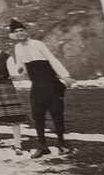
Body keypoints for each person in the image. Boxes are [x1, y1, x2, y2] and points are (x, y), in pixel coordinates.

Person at [8, 19, 75, 157]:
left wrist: (65, 76)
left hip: (51, 84)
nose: (20, 33)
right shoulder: (17, 48)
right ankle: (43, 147)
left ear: (26, 32)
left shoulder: (38, 44)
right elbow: (21, 66)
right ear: (14, 35)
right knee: (37, 115)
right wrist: (19, 72)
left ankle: (62, 144)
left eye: (22, 30)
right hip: (36, 86)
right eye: (16, 32)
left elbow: (52, 59)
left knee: (56, 114)